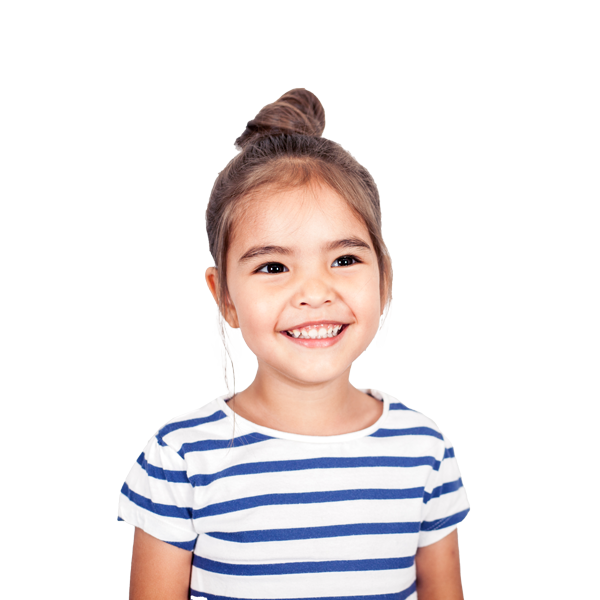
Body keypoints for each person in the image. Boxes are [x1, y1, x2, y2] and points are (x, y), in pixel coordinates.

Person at [118, 88, 470, 600]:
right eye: (273, 266)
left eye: (344, 260)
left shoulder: (425, 453)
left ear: (383, 280)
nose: (314, 292)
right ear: (227, 300)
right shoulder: (181, 461)